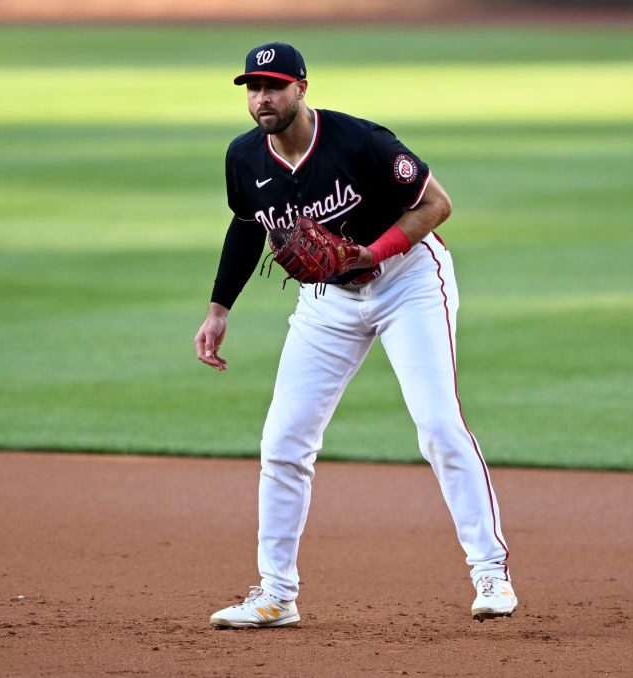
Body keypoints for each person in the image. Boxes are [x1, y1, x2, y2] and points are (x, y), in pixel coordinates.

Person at [195, 42, 516, 629]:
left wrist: (370, 251)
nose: (262, 98)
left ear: (302, 87)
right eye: (252, 87)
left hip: (407, 281)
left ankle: (490, 571)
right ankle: (275, 594)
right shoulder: (244, 158)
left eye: (274, 85)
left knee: (438, 424)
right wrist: (219, 308)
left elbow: (436, 205)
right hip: (328, 301)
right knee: (284, 441)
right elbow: (245, 228)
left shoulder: (359, 140)